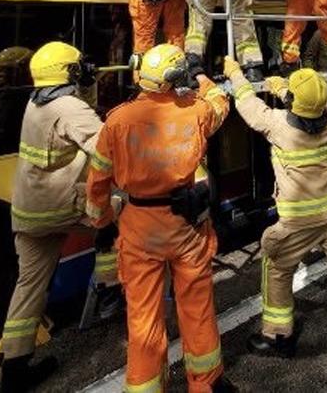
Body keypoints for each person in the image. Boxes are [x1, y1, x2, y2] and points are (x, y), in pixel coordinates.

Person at [225, 58, 327, 390]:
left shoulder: (277, 124)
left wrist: (234, 72)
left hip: (298, 222)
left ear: (291, 104)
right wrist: (287, 88)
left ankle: (277, 335)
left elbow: (246, 102)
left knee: (276, 267)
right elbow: (316, 103)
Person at [85, 44, 236, 393]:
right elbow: (220, 105)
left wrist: (103, 221)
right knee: (197, 305)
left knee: (143, 317)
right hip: (186, 226)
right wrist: (201, 77)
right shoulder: (195, 111)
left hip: (139, 227)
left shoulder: (117, 120)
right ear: (176, 78)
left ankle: (145, 386)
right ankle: (206, 382)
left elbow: (98, 183)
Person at [0, 42, 118, 393]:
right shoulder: (69, 107)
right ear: (70, 73)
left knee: (29, 287)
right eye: (80, 67)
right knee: (129, 214)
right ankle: (111, 288)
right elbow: (107, 148)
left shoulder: (38, 100)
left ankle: (14, 366)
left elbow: (81, 111)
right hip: (61, 206)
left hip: (28, 210)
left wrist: (89, 85)